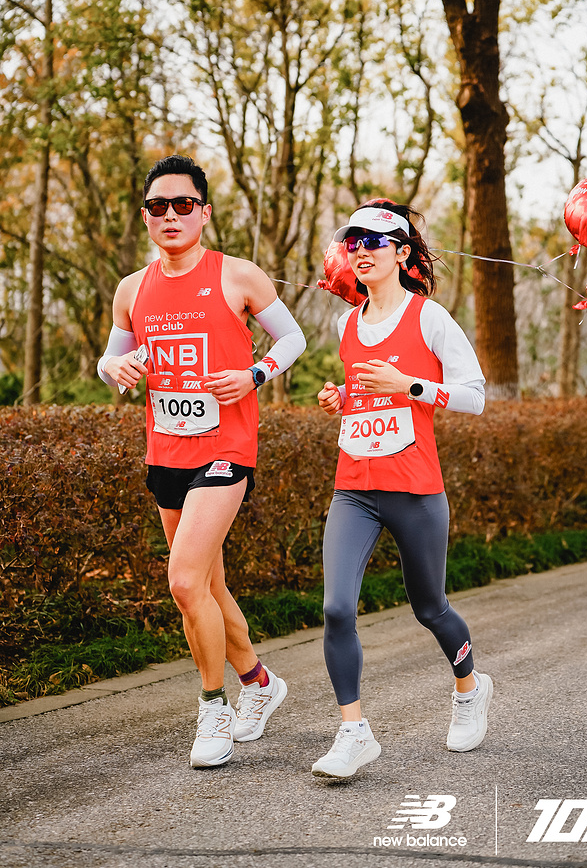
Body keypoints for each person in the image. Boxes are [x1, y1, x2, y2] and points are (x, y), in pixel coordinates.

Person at [97, 154, 306, 768]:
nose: (170, 216)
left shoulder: (238, 276)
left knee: (184, 581)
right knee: (207, 587)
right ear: (145, 217)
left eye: (183, 204)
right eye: (158, 207)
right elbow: (110, 362)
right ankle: (261, 685)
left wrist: (256, 373)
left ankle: (213, 707)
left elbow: (291, 337)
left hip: (225, 449)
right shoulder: (131, 290)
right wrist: (117, 367)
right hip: (165, 452)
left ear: (204, 213)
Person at [313, 199, 492, 779]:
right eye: (354, 242)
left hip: (415, 489)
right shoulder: (346, 324)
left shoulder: (430, 319)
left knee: (430, 607)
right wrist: (342, 399)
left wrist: (409, 384)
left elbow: (475, 395)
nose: (361, 250)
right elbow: (363, 392)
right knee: (337, 607)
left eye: (374, 242)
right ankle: (353, 732)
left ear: (402, 253)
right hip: (355, 489)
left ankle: (469, 687)